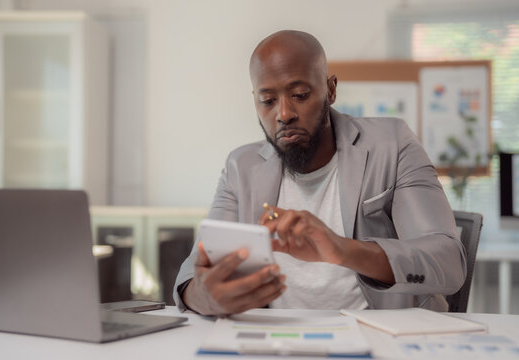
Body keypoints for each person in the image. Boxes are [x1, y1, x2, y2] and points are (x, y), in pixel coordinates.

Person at [174, 30, 466, 316]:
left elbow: (449, 261)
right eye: (268, 101)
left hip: (380, 335)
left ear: (331, 89)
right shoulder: (241, 167)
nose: (284, 113)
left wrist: (343, 250)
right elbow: (195, 271)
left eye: (300, 94)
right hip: (277, 339)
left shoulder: (392, 143)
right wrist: (205, 298)